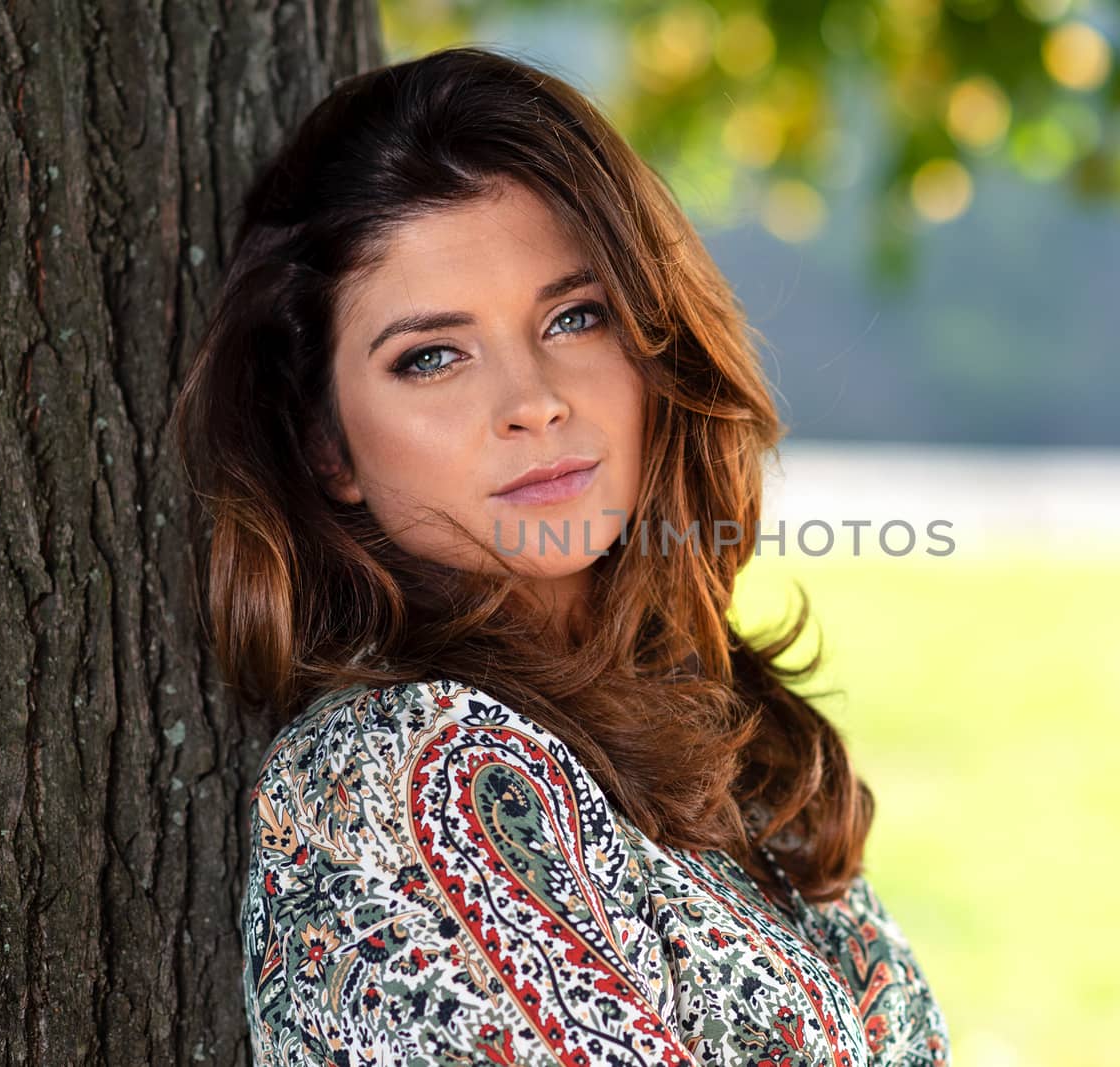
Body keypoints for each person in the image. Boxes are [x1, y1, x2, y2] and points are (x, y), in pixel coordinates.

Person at [169, 43, 951, 1067]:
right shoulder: (408, 767)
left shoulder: (721, 729)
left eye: (573, 316)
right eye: (432, 356)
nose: (533, 400)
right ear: (326, 444)